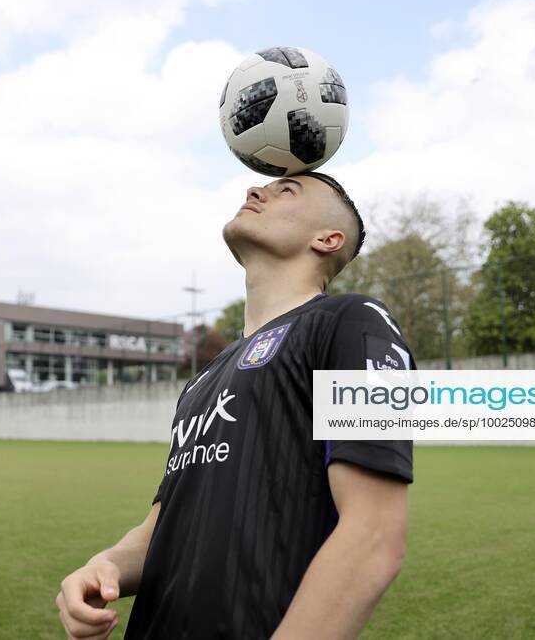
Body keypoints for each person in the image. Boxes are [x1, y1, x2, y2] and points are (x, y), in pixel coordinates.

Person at [55, 172, 414, 639]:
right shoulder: (202, 380)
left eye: (286, 191)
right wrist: (103, 565)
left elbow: (375, 535)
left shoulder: (353, 323)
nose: (255, 190)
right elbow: (159, 530)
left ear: (328, 239)